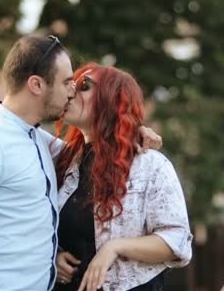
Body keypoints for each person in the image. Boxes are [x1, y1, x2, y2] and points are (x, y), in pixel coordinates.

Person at [0, 36, 162, 291]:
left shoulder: (36, 139)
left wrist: (134, 132)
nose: (72, 91)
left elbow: (96, 149)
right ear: (36, 85)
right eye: (67, 82)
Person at [54, 63, 192, 291]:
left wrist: (114, 247)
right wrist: (54, 255)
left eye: (84, 86)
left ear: (111, 102)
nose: (71, 92)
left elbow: (176, 240)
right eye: (71, 85)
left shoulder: (150, 165)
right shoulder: (60, 161)